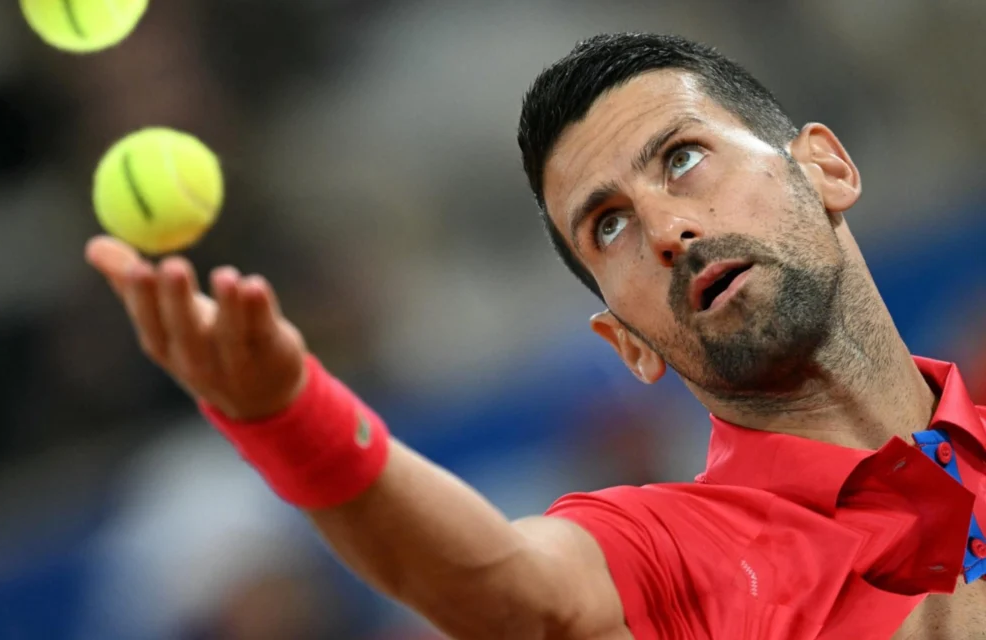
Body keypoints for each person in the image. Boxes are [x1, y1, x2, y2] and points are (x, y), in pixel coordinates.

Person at [86, 33, 986, 640]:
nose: (668, 230)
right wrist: (288, 418)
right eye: (608, 226)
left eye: (681, 158)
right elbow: (503, 584)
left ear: (826, 167)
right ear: (626, 340)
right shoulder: (669, 557)